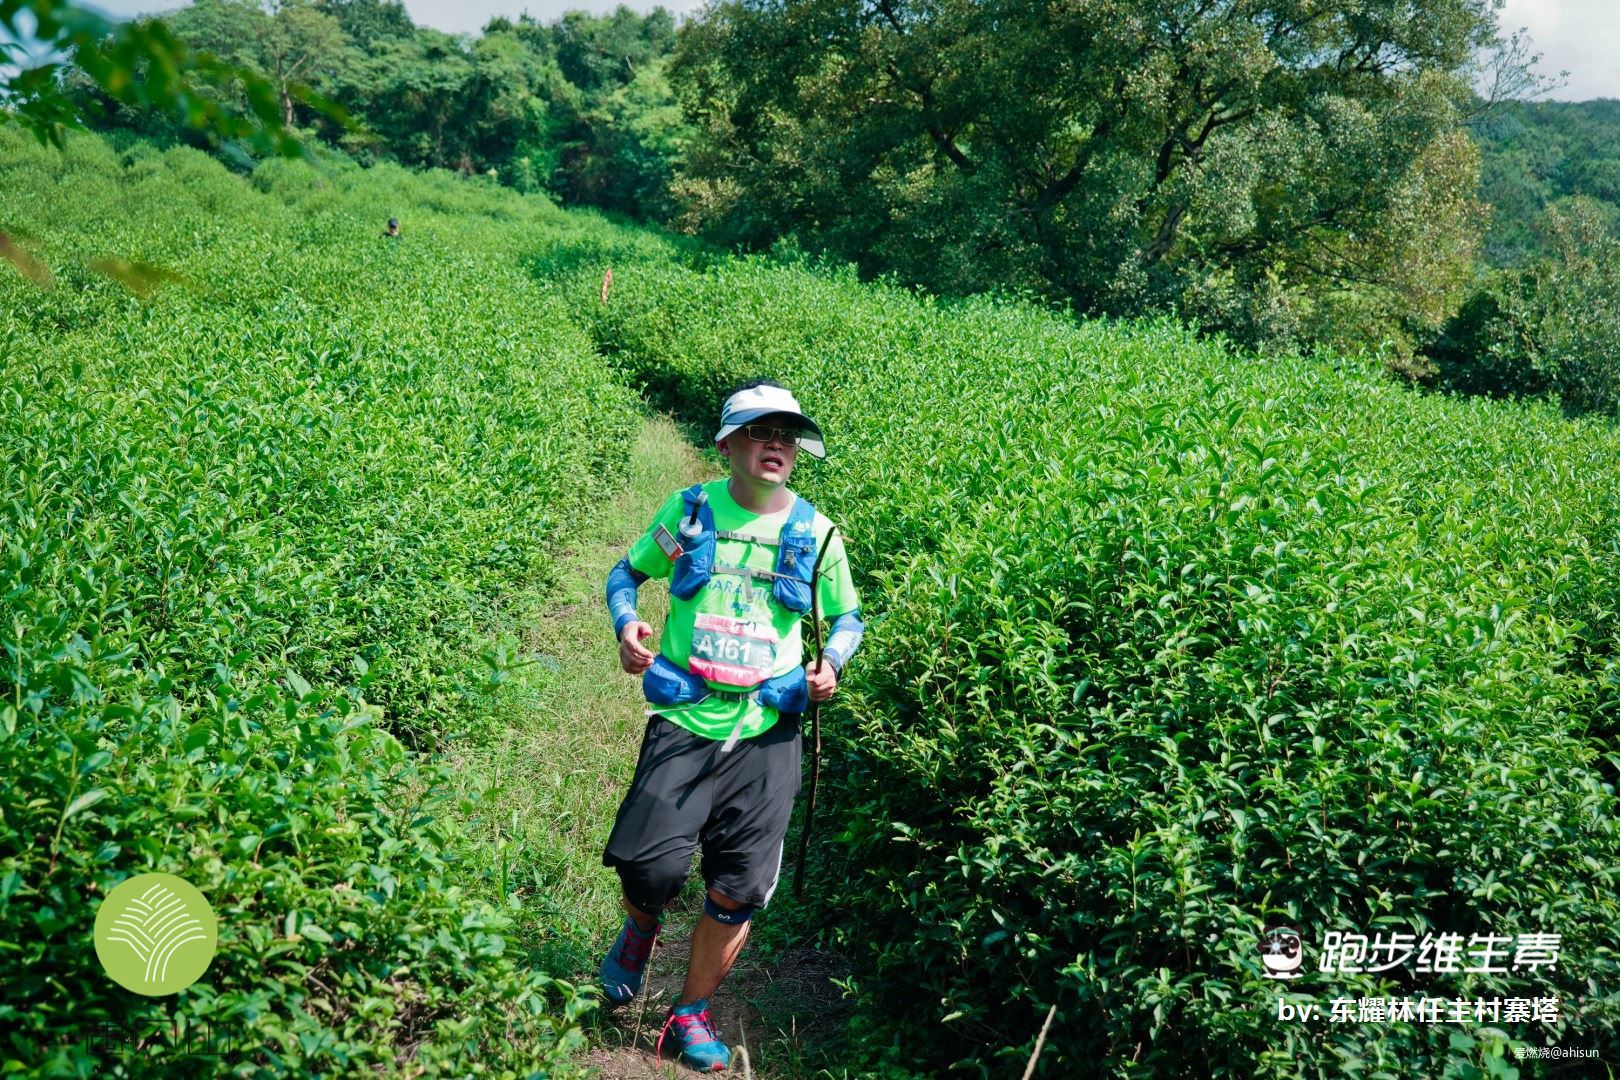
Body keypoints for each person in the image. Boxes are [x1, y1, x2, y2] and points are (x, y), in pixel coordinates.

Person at [599, 380, 865, 1073]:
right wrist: (627, 626)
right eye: (758, 431)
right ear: (726, 444)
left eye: (786, 434)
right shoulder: (688, 512)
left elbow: (848, 618)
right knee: (650, 866)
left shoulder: (818, 533)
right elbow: (625, 575)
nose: (775, 444)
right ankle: (641, 927)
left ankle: (687, 1016)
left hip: (768, 728)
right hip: (685, 715)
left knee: (738, 887)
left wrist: (831, 663)